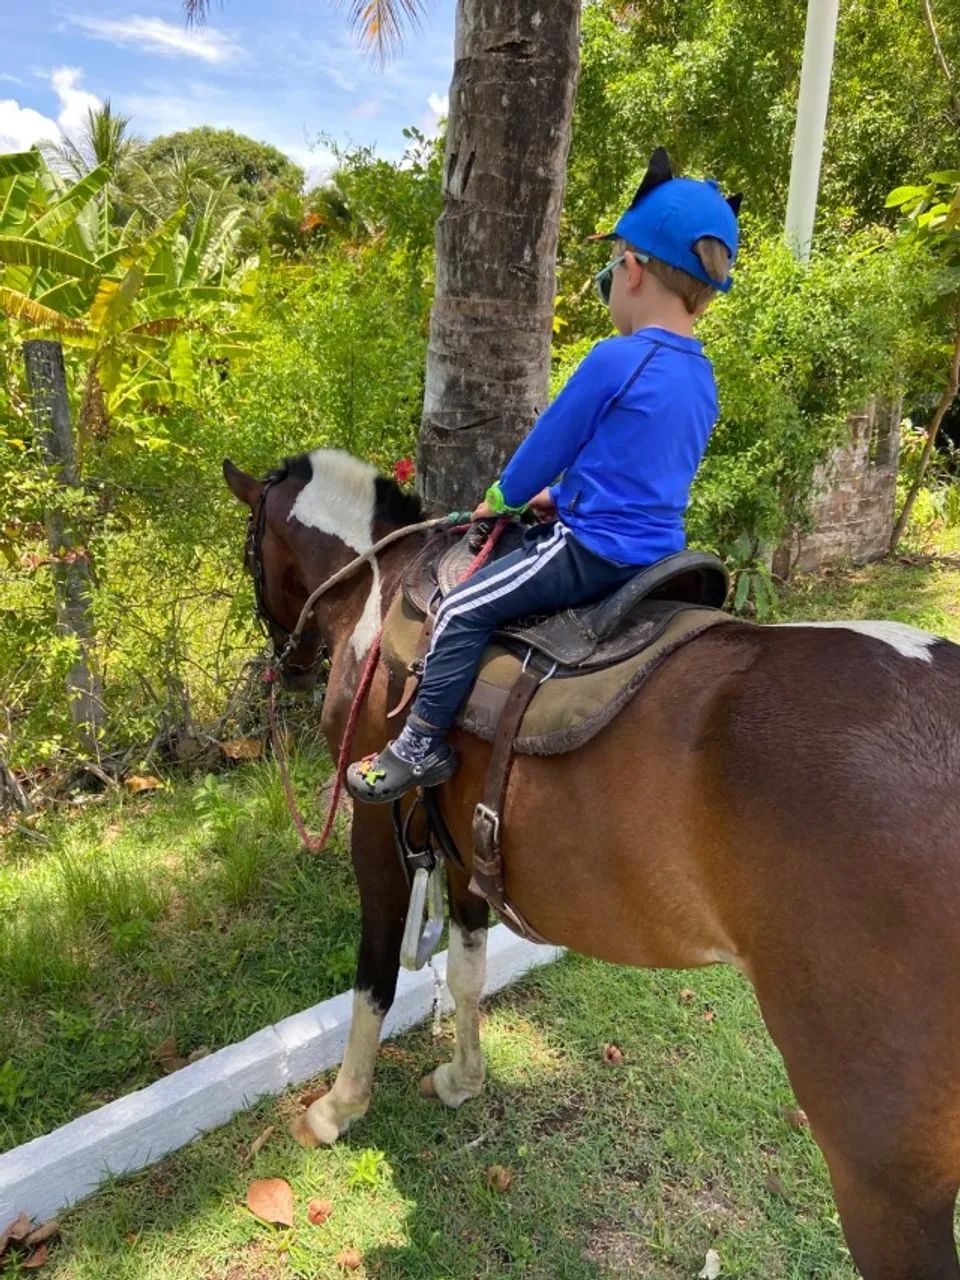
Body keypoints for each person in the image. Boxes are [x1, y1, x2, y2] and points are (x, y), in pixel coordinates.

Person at [346, 146, 741, 804]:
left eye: (613, 261)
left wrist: (500, 499)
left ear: (634, 269)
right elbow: (644, 468)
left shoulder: (617, 358)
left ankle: (419, 745)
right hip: (661, 552)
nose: (610, 273)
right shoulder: (700, 375)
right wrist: (565, 496)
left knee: (464, 606)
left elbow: (545, 446)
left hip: (593, 551)